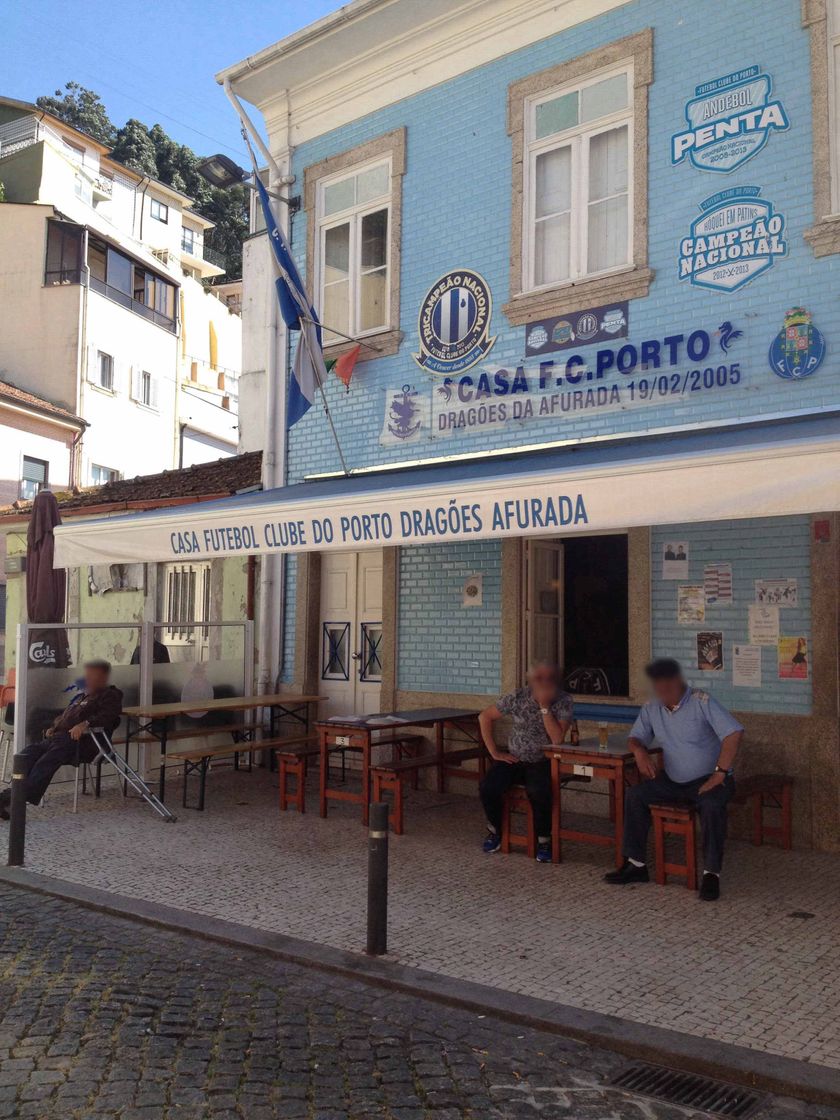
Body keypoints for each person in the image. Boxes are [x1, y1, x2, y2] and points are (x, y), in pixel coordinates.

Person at [604, 658, 743, 901]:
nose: (662, 691)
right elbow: (636, 736)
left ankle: (712, 874)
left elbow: (733, 732)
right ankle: (636, 864)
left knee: (711, 806)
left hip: (709, 779)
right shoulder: (652, 707)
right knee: (636, 795)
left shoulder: (702, 701)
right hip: (673, 780)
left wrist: (720, 772)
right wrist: (639, 751)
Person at [0, 660, 123, 819]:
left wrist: (85, 724)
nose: (89, 678)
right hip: (60, 738)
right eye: (88, 675)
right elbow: (65, 716)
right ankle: (8, 798)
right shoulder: (84, 695)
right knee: (27, 755)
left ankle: (12, 800)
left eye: (93, 675)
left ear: (104, 677)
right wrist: (55, 727)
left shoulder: (110, 695)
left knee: (45, 762)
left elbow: (109, 716)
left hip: (84, 742)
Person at [478, 661, 572, 863]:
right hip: (514, 758)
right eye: (539, 678)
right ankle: (495, 830)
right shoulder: (518, 696)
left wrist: (545, 708)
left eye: (548, 677)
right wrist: (494, 751)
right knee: (488, 786)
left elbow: (557, 739)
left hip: (543, 760)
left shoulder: (564, 700)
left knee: (539, 791)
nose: (544, 682)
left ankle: (544, 839)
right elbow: (484, 716)